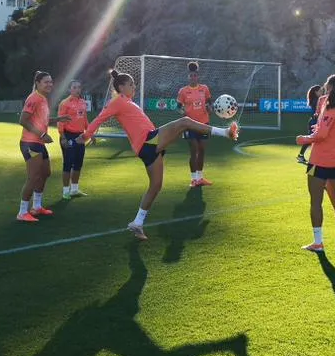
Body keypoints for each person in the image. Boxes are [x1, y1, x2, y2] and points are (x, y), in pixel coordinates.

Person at [82, 70, 240, 241]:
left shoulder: (126, 101)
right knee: (184, 122)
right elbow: (99, 118)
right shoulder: (117, 102)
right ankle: (225, 132)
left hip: (149, 145)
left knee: (156, 186)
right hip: (147, 142)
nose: (134, 87)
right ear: (121, 87)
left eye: (134, 84)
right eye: (131, 84)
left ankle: (137, 222)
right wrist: (85, 136)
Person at [295, 71, 335, 252]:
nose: (325, 91)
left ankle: (318, 242)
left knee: (316, 202)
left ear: (333, 88)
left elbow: (321, 135)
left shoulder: (330, 110)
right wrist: (319, 126)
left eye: (327, 87)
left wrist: (304, 139)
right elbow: (331, 131)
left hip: (319, 162)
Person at [17, 71, 56, 223]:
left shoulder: (43, 98)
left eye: (51, 82)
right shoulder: (34, 98)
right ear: (38, 83)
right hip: (30, 142)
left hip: (38, 142)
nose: (49, 84)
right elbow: (23, 120)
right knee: (33, 177)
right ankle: (22, 212)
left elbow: (42, 120)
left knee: (45, 173)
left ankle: (37, 207)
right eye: (46, 82)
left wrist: (58, 119)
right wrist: (42, 135)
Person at [176, 61, 213, 187]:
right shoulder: (183, 91)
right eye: (191, 75)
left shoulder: (205, 89)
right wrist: (184, 114)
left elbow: (209, 103)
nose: (193, 77)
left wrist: (210, 109)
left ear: (198, 76)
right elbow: (178, 107)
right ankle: (193, 179)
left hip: (204, 123)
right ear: (188, 76)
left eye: (195, 75)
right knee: (194, 150)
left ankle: (200, 178)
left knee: (202, 150)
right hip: (190, 125)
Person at [57, 80, 90, 199]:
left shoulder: (82, 102)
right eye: (74, 87)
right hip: (68, 135)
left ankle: (74, 189)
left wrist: (90, 133)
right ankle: (65, 191)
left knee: (78, 163)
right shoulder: (64, 103)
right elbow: (60, 121)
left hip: (80, 136)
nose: (77, 89)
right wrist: (63, 137)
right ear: (69, 89)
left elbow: (85, 119)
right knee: (67, 164)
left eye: (79, 87)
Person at [296, 84, 323, 165]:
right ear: (316, 92)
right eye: (320, 91)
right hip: (314, 122)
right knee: (311, 140)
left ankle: (301, 156)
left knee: (312, 140)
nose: (322, 92)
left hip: (314, 121)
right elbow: (318, 113)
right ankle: (303, 156)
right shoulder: (317, 101)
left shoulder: (316, 99)